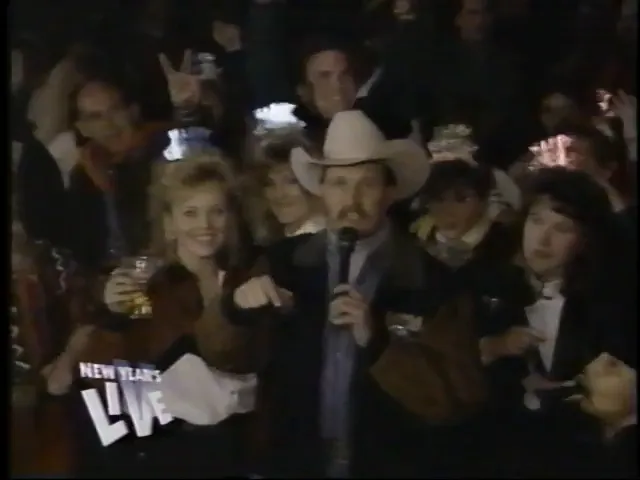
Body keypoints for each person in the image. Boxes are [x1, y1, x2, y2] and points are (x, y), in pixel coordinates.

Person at [222, 110, 487, 477]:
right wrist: (235, 308)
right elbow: (227, 358)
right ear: (321, 190)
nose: (352, 198)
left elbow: (459, 396)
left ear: (390, 191)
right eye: (339, 184)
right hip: (294, 462)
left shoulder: (431, 279)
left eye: (367, 184)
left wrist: (379, 342)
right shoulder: (283, 262)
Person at [48, 153, 260, 478]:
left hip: (229, 449)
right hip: (161, 452)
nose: (205, 225)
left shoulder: (241, 279)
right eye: (190, 213)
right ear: (169, 223)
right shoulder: (144, 276)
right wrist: (113, 315)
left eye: (216, 211)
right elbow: (111, 369)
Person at [477, 167, 633, 476]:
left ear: (585, 240)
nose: (542, 239)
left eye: (562, 228)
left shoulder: (610, 303)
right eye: (536, 221)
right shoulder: (486, 285)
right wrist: (495, 347)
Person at [66, 77, 170, 270]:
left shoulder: (167, 149)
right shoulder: (83, 177)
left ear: (133, 111)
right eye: (95, 117)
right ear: (83, 128)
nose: (109, 124)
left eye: (115, 110)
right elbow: (85, 251)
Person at [245, 133, 325, 244]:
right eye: (269, 183)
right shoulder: (277, 240)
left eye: (291, 181)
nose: (279, 194)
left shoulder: (320, 244)